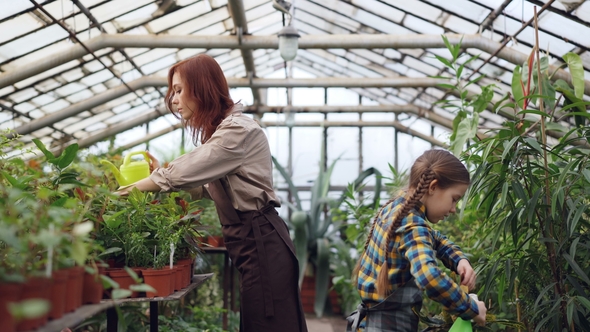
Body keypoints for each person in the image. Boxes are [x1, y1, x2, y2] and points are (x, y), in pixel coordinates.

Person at [117, 54, 308, 332]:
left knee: (268, 324)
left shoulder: (237, 131)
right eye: (173, 92)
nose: (173, 100)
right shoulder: (224, 131)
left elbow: (190, 168)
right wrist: (158, 175)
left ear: (202, 88)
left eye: (180, 90)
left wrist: (133, 189)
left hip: (261, 243)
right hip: (253, 245)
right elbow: (209, 188)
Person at [347, 150, 487, 332]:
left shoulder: (396, 208)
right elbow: (429, 277)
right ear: (433, 187)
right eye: (454, 199)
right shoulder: (413, 226)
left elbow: (434, 238)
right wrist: (472, 309)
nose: (453, 209)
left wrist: (459, 259)